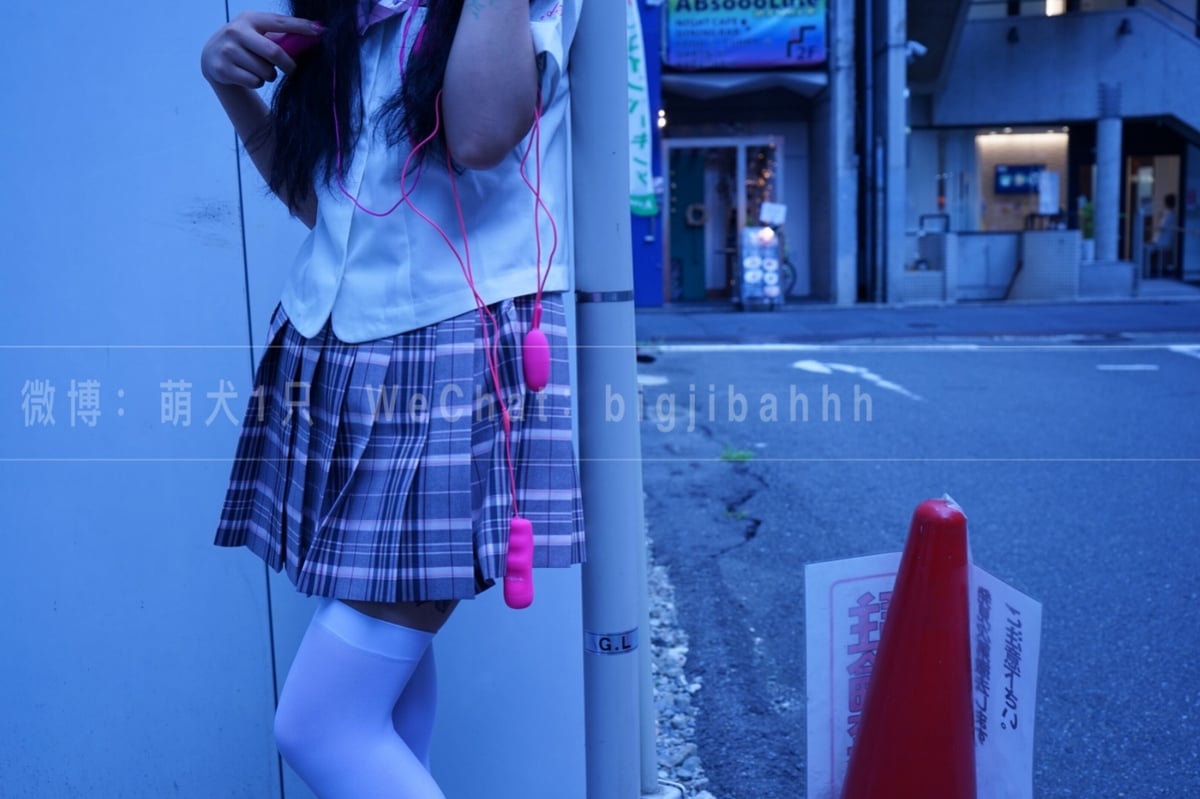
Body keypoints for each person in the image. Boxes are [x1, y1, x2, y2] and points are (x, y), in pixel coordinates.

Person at [200, 1, 585, 796]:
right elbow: (321, 206)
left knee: (322, 725)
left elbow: (479, 134)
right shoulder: (345, 14)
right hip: (334, 351)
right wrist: (232, 87)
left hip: (449, 358)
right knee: (382, 707)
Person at [1148, 193, 1178, 276]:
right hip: (1166, 240)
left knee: (1151, 252)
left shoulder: (1168, 215)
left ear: (1166, 203)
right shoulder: (1172, 214)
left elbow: (1161, 227)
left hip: (1162, 241)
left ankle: (1155, 270)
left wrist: (1159, 219)